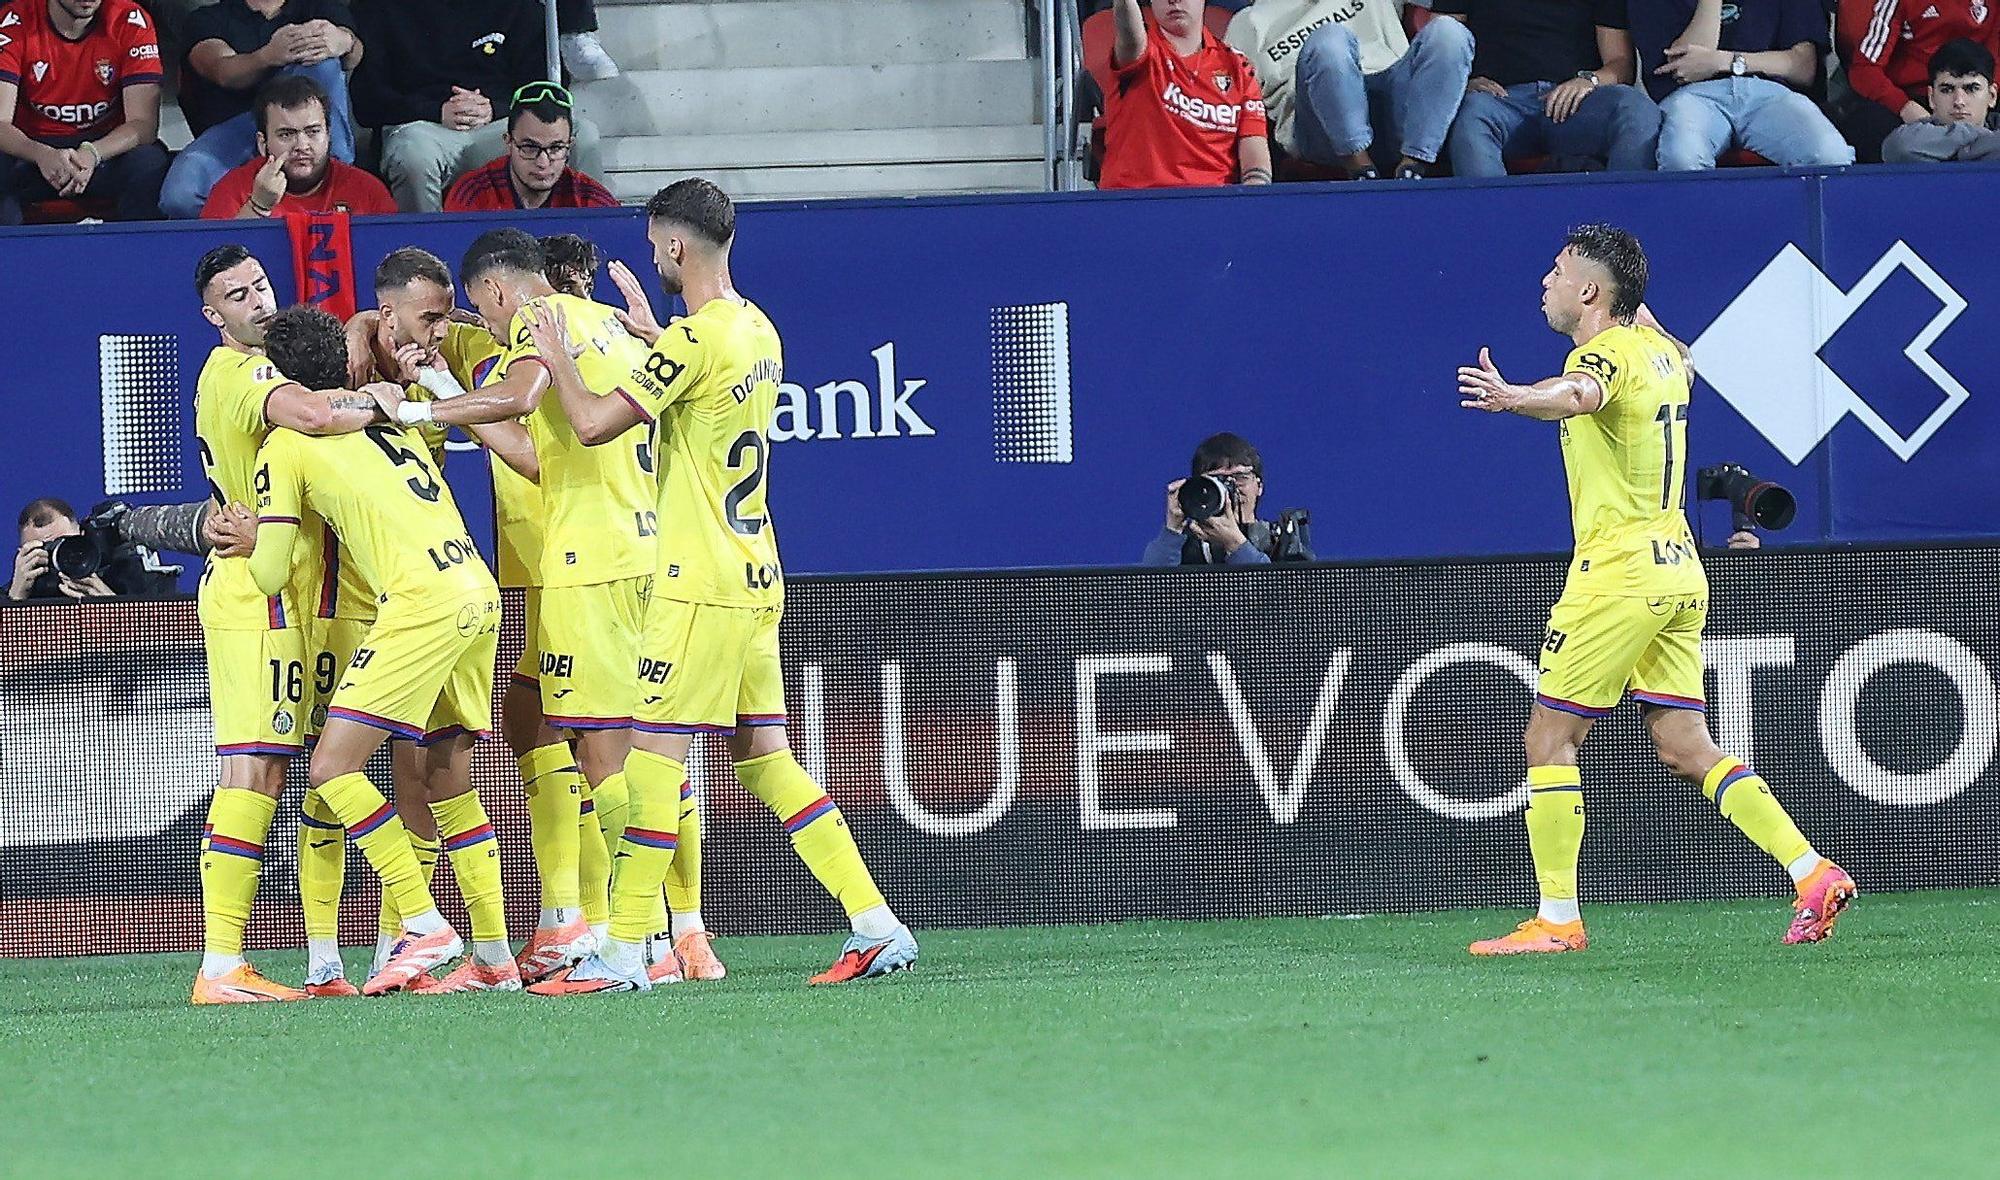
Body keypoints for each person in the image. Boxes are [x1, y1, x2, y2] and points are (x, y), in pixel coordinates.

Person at [508, 179, 918, 993]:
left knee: (653, 766)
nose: (653, 258)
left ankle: (624, 952)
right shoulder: (756, 328)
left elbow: (588, 424)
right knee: (765, 759)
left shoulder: (694, 341)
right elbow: (702, 391)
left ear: (674, 246)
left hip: (695, 583)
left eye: (654, 245)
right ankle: (876, 923)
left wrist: (557, 354)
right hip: (757, 572)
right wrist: (653, 339)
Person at [1454, 223, 1855, 956]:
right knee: (1683, 743)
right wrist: (1636, 300)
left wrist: (1514, 397)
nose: (1545, 281)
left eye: (1558, 270)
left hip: (1617, 576)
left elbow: (1579, 393)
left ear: (1589, 291)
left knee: (1550, 738)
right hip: (1678, 568)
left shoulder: (1601, 354)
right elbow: (1676, 353)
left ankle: (1557, 920)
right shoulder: (1667, 354)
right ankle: (1812, 871)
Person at [380, 228, 673, 985]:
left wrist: (418, 411)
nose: (483, 323)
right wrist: (443, 384)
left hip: (588, 564)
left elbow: (519, 400)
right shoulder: (605, 323)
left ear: (499, 290)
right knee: (593, 738)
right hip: (637, 549)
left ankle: (631, 940)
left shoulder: (544, 324)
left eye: (481, 309)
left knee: (603, 754)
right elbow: (540, 451)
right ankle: (630, 934)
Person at [216, 303, 513, 995]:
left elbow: (269, 574)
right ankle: (495, 957)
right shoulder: (389, 415)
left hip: (419, 605)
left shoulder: (285, 444)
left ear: (281, 380)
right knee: (448, 777)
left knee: (330, 769)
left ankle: (423, 923)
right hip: (478, 589)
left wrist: (251, 537)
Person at [185, 244, 386, 1004]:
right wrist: (392, 403)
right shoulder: (236, 374)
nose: (259, 302)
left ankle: (323, 961)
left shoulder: (272, 366)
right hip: (255, 593)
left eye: (262, 285)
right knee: (256, 767)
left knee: (320, 768)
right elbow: (313, 414)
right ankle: (220, 966)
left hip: (302, 593)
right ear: (214, 316)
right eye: (238, 296)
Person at [349, 0, 599, 212]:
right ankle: (424, 251)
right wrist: (436, 110)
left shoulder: (517, 6)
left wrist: (496, 108)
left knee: (583, 134)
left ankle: (593, 243)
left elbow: (545, 87)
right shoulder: (383, 8)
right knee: (413, 155)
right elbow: (367, 101)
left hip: (500, 124)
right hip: (423, 127)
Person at [159, 0, 363, 219]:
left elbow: (353, 53)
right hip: (238, 132)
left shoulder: (319, 7)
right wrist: (267, 55)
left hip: (303, 127)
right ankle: (240, 234)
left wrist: (346, 42)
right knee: (180, 195)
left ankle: (335, 170)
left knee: (324, 63)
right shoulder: (208, 18)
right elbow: (222, 71)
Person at [1227, 0, 1475, 179]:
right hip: (1317, 122)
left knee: (1449, 31)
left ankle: (1414, 165)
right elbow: (1231, 95)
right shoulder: (1248, 21)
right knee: (1330, 40)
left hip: (1393, 102)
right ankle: (1360, 169)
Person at [1435, 0, 1662, 176]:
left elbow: (1621, 64)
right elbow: (1439, 44)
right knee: (1470, 115)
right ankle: (1493, 219)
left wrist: (1589, 80)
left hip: (1577, 105)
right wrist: (1465, 82)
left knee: (1636, 109)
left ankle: (1622, 218)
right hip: (1499, 102)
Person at [0, 0, 169, 224]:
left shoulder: (129, 19)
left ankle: (137, 247)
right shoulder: (14, 20)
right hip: (33, 151)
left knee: (149, 163)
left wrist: (92, 153)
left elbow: (143, 124)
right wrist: (41, 154)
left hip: (105, 149)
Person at [1631, 0, 1855, 169]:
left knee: (1831, 155)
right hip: (1693, 95)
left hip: (1770, 93)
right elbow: (1683, 66)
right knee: (1682, 159)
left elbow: (1803, 67)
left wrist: (1724, 61)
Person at [1100, 0, 1273, 188]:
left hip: (1212, 202)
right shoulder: (1141, 51)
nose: (1174, 0)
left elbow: (1256, 163)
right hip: (1135, 199)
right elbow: (1129, 35)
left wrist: (1254, 200)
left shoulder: (1239, 68)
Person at [199, 74, 393, 219]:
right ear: (262, 143)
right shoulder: (232, 189)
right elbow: (213, 258)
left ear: (328, 135)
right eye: (286, 134)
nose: (302, 145)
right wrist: (257, 207)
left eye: (313, 132)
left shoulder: (368, 191)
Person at [1837, 0, 1998, 162]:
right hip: (1910, 99)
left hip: (1977, 95)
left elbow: (1994, 65)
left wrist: (1981, 99)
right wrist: (1905, 107)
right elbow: (1863, 70)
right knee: (1867, 126)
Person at [1142, 433, 1314, 566]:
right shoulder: (1182, 546)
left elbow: (1284, 596)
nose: (1230, 489)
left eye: (1240, 477)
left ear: (1259, 486)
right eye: (1218, 480)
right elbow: (1148, 591)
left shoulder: (1279, 541)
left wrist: (1235, 544)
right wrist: (1172, 530)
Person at [442, 82, 615, 212]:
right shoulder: (472, 194)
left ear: (569, 146)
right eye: (530, 148)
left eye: (556, 148)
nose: (543, 163)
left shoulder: (591, 200)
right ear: (508, 142)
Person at [1882, 37, 2000, 161]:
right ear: (1931, 97)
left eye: (1971, 89)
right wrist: (1986, 140)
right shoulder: (1908, 139)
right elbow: (1900, 146)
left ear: (1992, 96)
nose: (1959, 101)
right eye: (1947, 90)